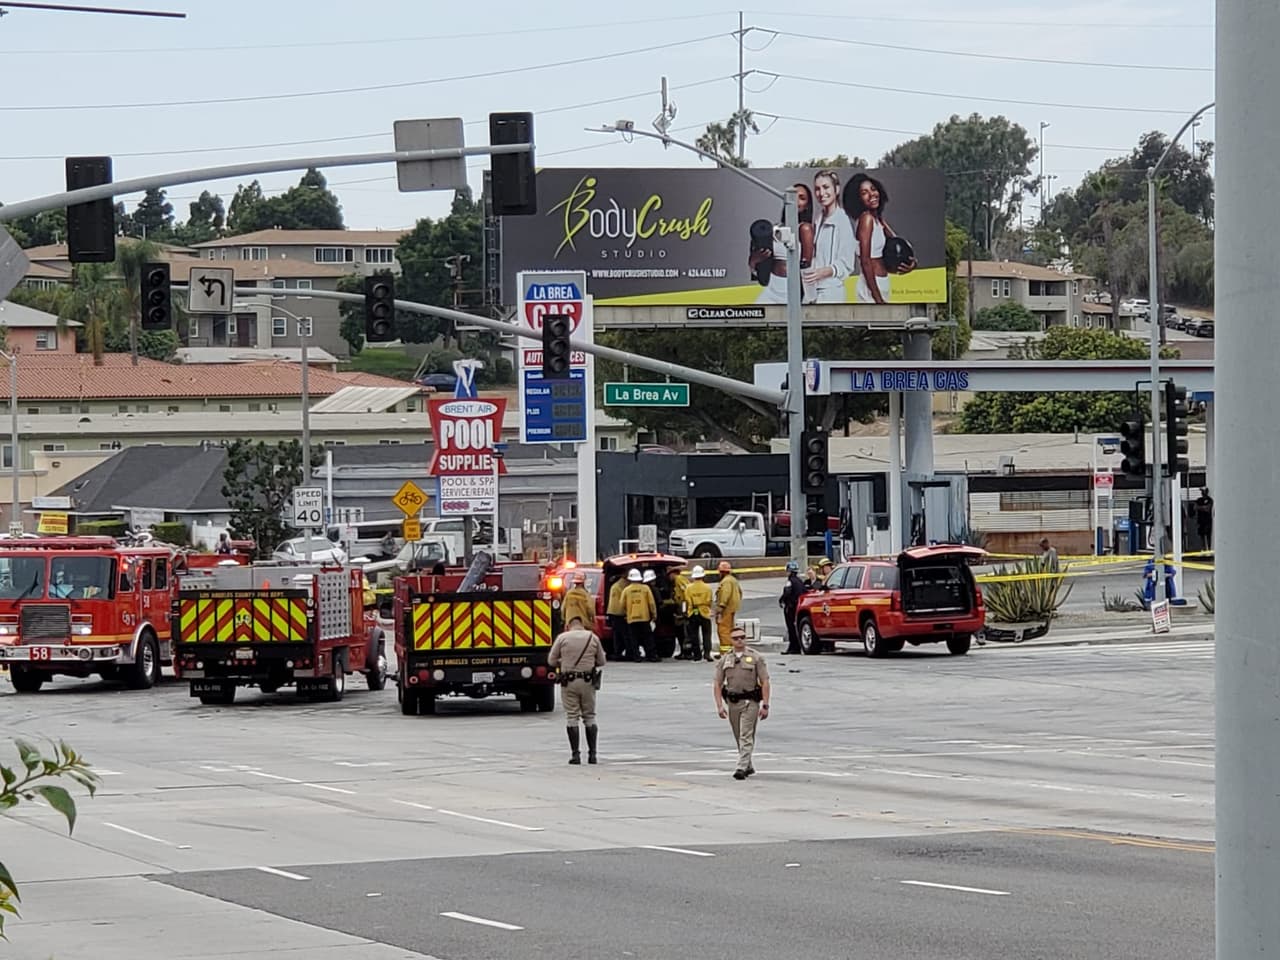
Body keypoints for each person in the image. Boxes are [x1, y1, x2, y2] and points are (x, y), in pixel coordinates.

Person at [845, 172, 916, 305]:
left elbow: (899, 245)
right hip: (871, 287)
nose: (871, 194)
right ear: (858, 199)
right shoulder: (866, 220)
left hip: (882, 282)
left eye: (873, 189)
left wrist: (912, 264)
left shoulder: (878, 220)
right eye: (864, 192)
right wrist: (877, 299)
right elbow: (865, 261)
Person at [713, 625, 771, 780]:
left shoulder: (756, 657)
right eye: (736, 638)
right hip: (733, 702)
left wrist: (765, 705)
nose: (740, 640)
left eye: (742, 637)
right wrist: (719, 706)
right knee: (738, 735)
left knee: (746, 734)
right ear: (731, 641)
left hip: (750, 702)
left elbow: (765, 681)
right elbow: (717, 684)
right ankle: (748, 765)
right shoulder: (725, 659)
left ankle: (741, 767)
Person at [547, 614, 606, 765]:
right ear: (582, 624)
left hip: (569, 681)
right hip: (588, 682)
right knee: (590, 716)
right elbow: (601, 661)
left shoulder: (562, 638)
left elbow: (551, 660)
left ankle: (576, 755)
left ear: (568, 625)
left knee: (572, 716)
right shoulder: (592, 638)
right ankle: (592, 755)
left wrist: (564, 661)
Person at [753, 184, 817, 305]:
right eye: (792, 197)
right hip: (772, 287)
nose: (796, 201)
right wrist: (755, 260)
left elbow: (806, 265)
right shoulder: (774, 228)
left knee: (793, 323)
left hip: (792, 290)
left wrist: (810, 296)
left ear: (807, 206)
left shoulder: (805, 228)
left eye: (802, 198)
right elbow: (758, 265)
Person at [801, 170, 856, 302]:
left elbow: (847, 263)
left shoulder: (842, 221)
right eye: (817, 189)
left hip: (832, 292)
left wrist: (823, 272)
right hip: (812, 291)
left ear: (836, 189)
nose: (821, 193)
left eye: (826, 187)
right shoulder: (818, 219)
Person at [620, 568, 657, 663]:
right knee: (648, 638)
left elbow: (622, 604)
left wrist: (627, 613)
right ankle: (651, 656)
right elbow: (651, 603)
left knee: (633, 639)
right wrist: (654, 615)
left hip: (632, 618)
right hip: (645, 618)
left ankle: (636, 657)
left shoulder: (626, 590)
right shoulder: (645, 589)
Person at [684, 564, 715, 662]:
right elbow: (709, 601)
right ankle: (707, 654)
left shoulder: (688, 588)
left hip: (692, 612)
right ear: (702, 576)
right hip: (704, 613)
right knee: (706, 634)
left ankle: (697, 655)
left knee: (694, 635)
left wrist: (686, 612)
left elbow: (686, 601)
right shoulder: (707, 588)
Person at [714, 560, 742, 657]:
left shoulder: (726, 582)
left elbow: (725, 595)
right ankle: (729, 651)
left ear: (722, 572)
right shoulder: (733, 580)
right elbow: (740, 593)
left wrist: (720, 608)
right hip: (731, 609)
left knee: (723, 630)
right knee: (730, 630)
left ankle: (725, 652)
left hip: (726, 610)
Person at [779, 560, 807, 655]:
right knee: (796, 627)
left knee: (791, 627)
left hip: (790, 608)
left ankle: (793, 647)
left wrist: (781, 600)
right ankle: (797, 647)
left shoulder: (790, 581)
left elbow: (787, 593)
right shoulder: (800, 581)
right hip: (798, 607)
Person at [606, 573, 628, 658]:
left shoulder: (615, 585)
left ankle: (617, 652)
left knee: (617, 634)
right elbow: (624, 600)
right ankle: (622, 652)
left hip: (613, 612)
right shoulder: (623, 586)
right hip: (620, 613)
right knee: (624, 634)